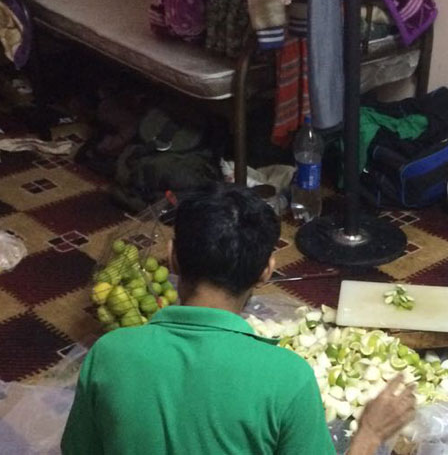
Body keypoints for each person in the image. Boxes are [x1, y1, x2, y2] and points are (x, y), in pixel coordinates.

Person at [62, 184, 416, 454]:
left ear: (172, 258)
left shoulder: (109, 353)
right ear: (266, 271)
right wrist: (369, 435)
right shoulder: (288, 378)